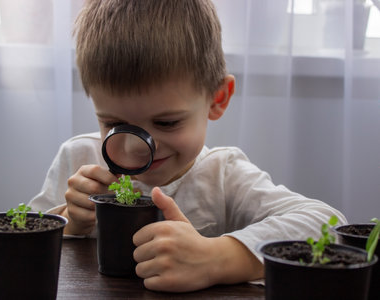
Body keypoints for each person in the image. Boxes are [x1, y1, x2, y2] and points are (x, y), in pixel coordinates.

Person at [29, 0, 347, 293]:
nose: (138, 149)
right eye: (114, 124)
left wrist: (219, 257)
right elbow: (20, 242)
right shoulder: (78, 158)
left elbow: (327, 224)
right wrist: (69, 220)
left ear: (217, 99)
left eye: (167, 123)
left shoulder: (224, 176)